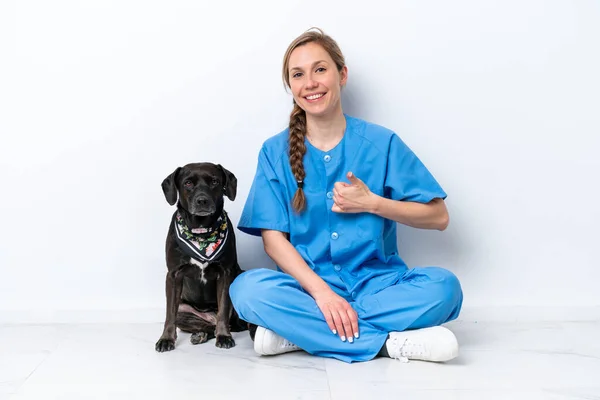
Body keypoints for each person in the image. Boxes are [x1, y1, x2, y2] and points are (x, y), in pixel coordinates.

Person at [229, 27, 463, 364]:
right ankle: (388, 344)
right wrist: (323, 295)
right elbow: (273, 241)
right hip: (307, 290)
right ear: (291, 86)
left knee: (445, 287)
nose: (310, 83)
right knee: (246, 290)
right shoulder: (273, 152)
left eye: (320, 69)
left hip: (378, 286)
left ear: (342, 75)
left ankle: (300, 334)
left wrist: (373, 204)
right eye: (298, 74)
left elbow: (439, 216)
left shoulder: (381, 143)